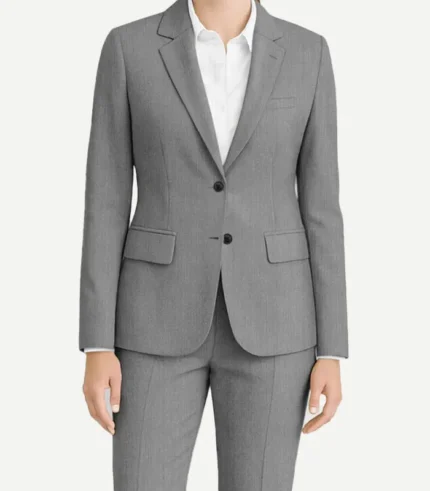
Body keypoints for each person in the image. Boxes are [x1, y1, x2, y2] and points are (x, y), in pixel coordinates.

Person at [80, 0, 349, 489]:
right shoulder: (128, 48)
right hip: (153, 322)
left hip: (275, 324)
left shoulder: (308, 53)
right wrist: (97, 343)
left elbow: (322, 210)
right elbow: (105, 201)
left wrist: (332, 348)